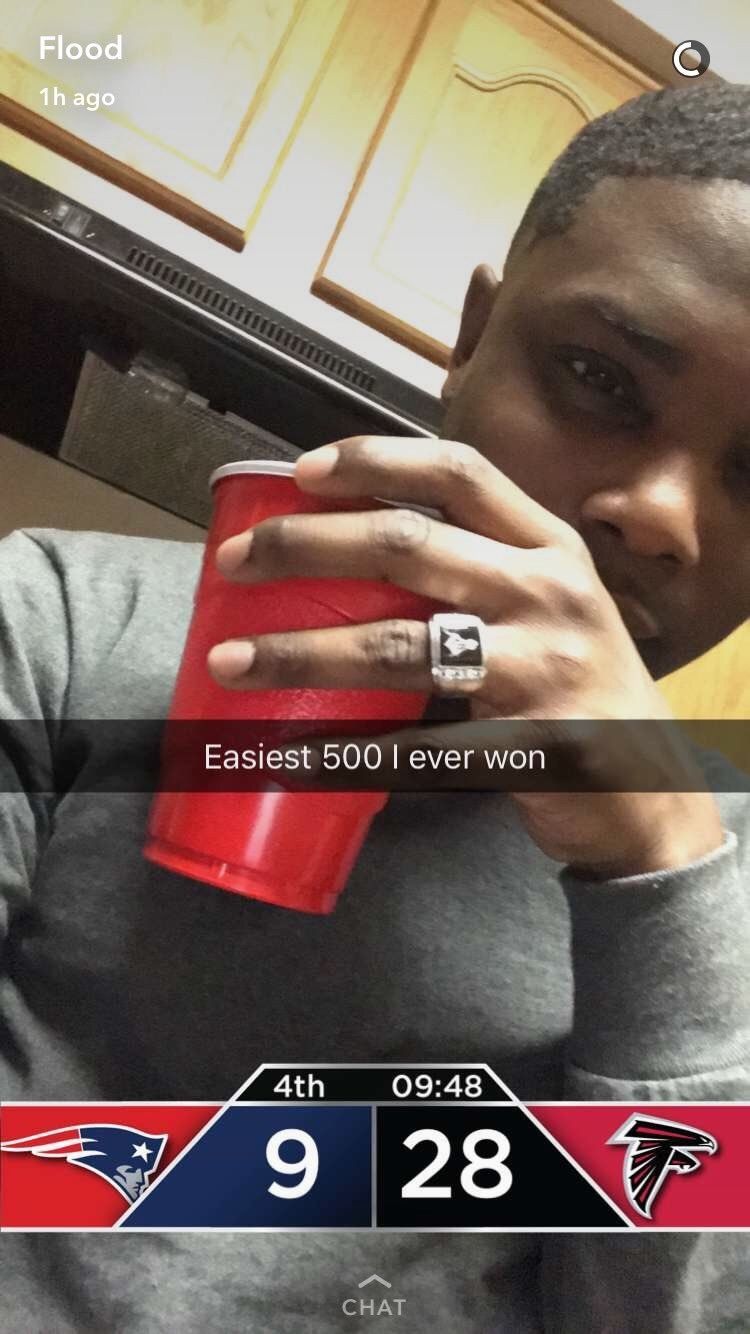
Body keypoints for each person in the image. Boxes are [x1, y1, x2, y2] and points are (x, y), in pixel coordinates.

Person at [0, 84, 748, 1332]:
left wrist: (660, 869)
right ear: (473, 335)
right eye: (598, 378)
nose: (662, 516)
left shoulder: (728, 890)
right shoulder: (57, 621)